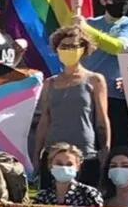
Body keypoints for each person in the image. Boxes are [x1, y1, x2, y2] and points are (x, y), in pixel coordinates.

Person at [31, 24, 110, 188]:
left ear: (84, 48)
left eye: (74, 46)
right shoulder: (49, 83)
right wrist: (36, 154)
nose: (69, 50)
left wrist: (106, 149)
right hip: (53, 154)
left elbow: (102, 118)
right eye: (64, 46)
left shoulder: (95, 79)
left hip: (85, 152)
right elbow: (44, 120)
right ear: (57, 49)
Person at [82, 0, 128, 148]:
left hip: (118, 98)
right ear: (104, 1)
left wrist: (85, 29)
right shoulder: (89, 23)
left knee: (116, 149)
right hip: (89, 97)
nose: (123, 3)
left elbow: (119, 47)